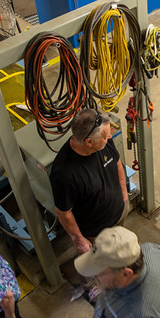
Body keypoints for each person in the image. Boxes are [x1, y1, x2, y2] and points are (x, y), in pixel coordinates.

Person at [50, 108, 129, 253]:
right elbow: (64, 212)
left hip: (119, 211)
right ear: (89, 142)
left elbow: (117, 164)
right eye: (105, 136)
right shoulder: (64, 174)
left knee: (120, 249)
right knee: (105, 263)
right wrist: (79, 239)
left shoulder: (105, 141)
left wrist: (124, 197)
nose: (110, 136)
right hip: (96, 233)